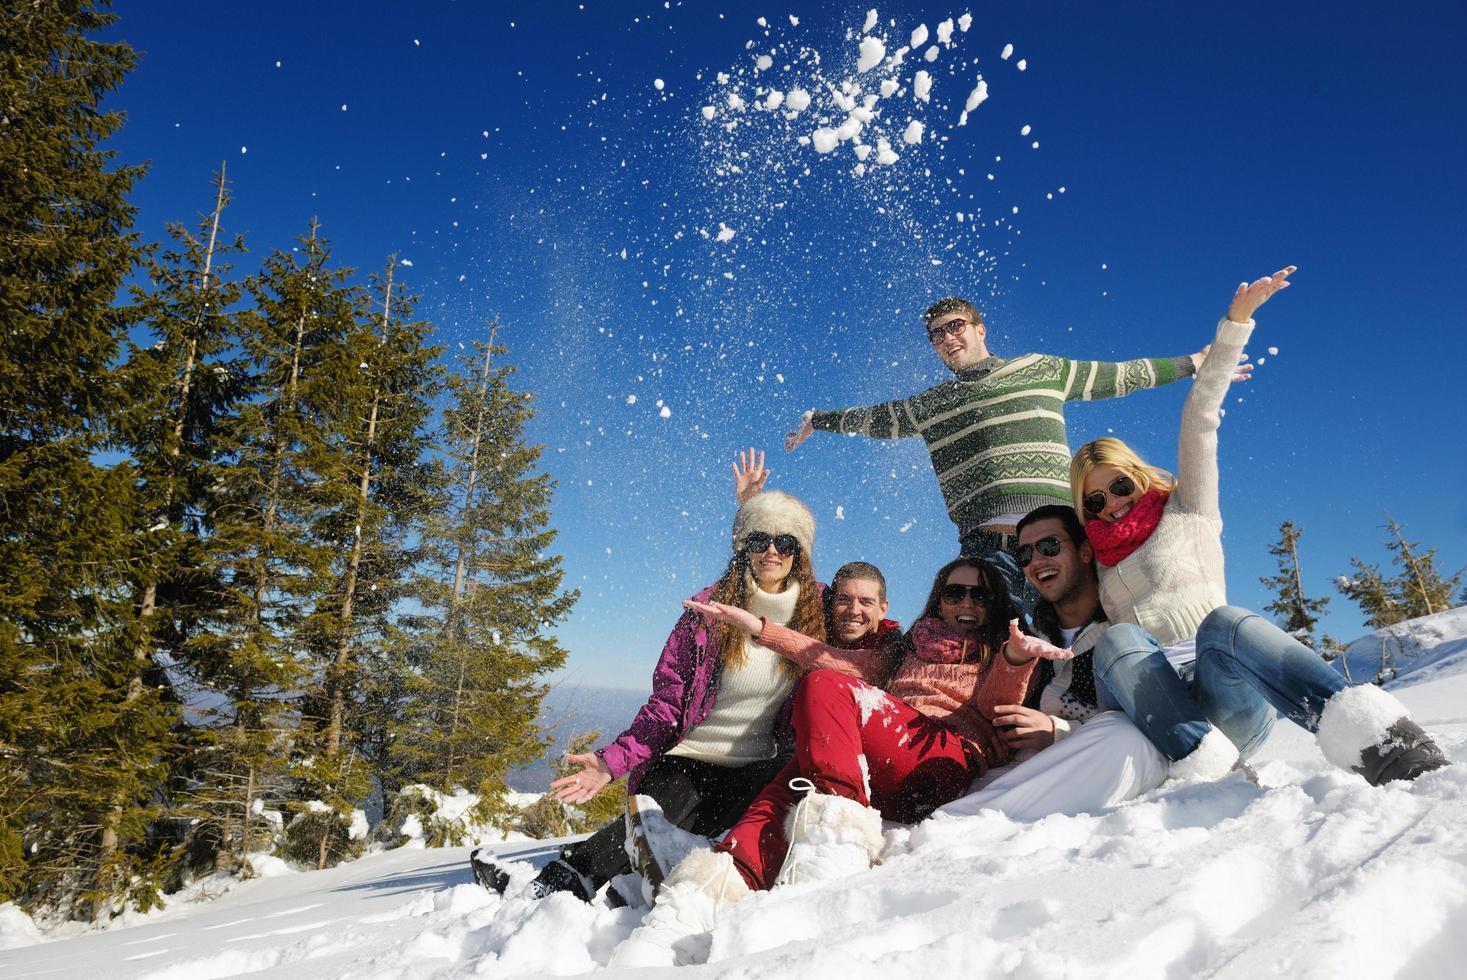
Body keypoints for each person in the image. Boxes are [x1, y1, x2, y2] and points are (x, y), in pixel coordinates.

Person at [1075, 266, 1448, 786]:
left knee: (1225, 622)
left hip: (1224, 695)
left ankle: (1386, 746)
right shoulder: (1095, 557)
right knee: (1118, 641)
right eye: (1095, 499)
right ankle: (1208, 772)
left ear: (1138, 478)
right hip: (1154, 707)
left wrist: (1235, 324)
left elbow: (1200, 419)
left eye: (1119, 486)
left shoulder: (1188, 509)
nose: (1111, 503)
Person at [610, 558, 1072, 967]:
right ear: (939, 600)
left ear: (994, 602)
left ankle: (836, 850)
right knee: (793, 780)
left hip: (940, 759)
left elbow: (996, 707)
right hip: (884, 759)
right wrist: (757, 627)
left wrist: (1015, 657)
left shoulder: (997, 650)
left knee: (824, 692)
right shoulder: (904, 651)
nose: (966, 601)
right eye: (955, 591)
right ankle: (694, 907)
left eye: (979, 592)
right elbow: (826, 657)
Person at [471, 486, 828, 903]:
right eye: (758, 539)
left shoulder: (820, 615)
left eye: (785, 542)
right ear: (742, 547)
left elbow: (868, 626)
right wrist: (608, 764)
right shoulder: (706, 614)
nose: (771, 551)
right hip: (688, 763)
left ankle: (607, 876)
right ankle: (563, 880)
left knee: (763, 793)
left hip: (756, 769)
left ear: (799, 553)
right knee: (666, 813)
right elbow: (666, 708)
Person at [783, 297, 1237, 607]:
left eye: (955, 326)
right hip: (984, 551)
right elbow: (875, 419)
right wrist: (819, 420)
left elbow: (1119, 375)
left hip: (1063, 541)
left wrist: (1195, 363)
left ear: (980, 329)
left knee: (1082, 651)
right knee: (996, 658)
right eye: (937, 335)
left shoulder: (1039, 370)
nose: (947, 338)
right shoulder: (930, 405)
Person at [936, 504, 1168, 820]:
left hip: (1113, 757)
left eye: (1049, 547)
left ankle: (962, 822)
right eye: (1024, 556)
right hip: (1033, 774)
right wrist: (1013, 660)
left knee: (1121, 734)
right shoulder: (1031, 636)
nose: (1036, 562)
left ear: (1085, 552)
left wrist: (1056, 731)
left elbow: (1152, 719)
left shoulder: (1125, 627)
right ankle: (958, 821)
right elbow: (996, 711)